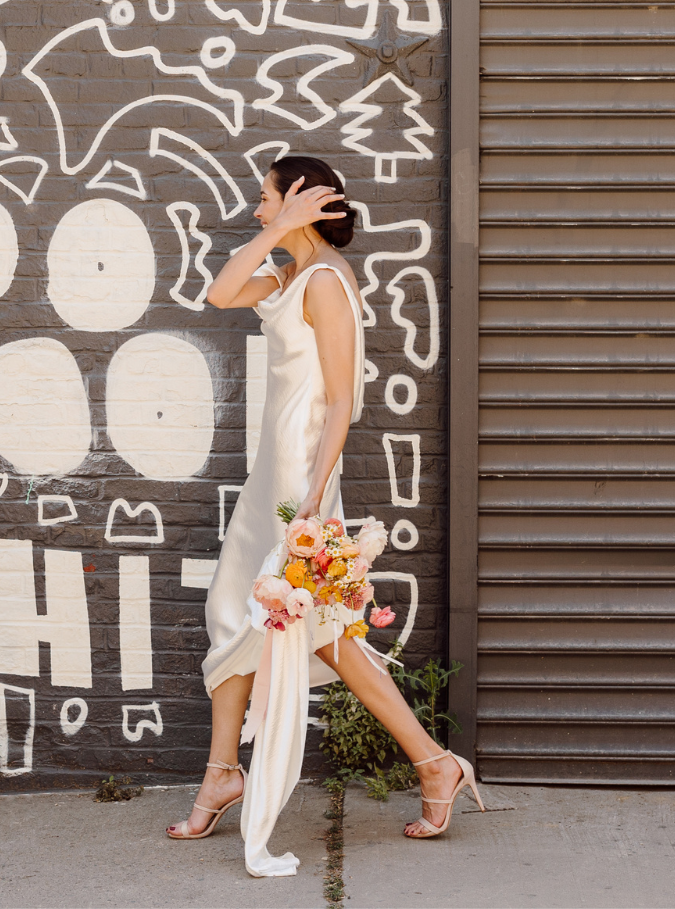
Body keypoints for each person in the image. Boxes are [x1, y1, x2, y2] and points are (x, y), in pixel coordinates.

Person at [165, 155, 482, 876]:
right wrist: (281, 229)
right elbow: (219, 294)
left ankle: (432, 763)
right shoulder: (287, 275)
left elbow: (343, 398)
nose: (256, 209)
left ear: (301, 202)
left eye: (267, 198)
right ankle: (230, 770)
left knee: (316, 629)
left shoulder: (329, 283)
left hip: (300, 482)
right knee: (248, 615)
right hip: (271, 477)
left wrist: (315, 493)